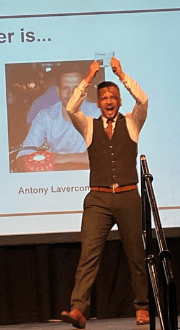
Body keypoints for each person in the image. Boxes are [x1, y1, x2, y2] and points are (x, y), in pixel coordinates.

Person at [60, 57, 149, 328]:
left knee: (136, 254)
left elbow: (143, 100)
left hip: (128, 195)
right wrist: (87, 79)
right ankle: (78, 310)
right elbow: (71, 107)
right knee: (88, 253)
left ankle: (143, 307)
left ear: (120, 101)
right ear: (97, 103)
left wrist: (121, 74)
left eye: (113, 97)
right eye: (103, 97)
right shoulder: (89, 126)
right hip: (98, 199)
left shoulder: (132, 122)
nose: (109, 101)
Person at [15, 69, 100, 171]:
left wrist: (59, 158)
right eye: (65, 88)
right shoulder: (44, 117)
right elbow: (23, 156)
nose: (70, 94)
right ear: (58, 92)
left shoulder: (98, 114)